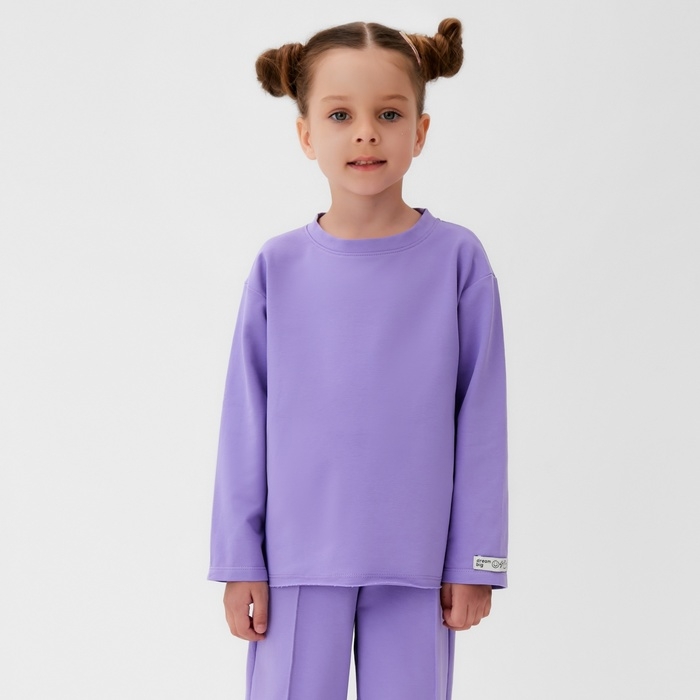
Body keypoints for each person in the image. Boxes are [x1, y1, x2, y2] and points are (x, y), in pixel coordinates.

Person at [208, 17, 508, 700]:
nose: (366, 133)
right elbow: (244, 421)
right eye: (341, 115)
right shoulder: (278, 266)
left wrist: (477, 561)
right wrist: (238, 558)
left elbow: (482, 417)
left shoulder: (458, 261)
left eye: (389, 114)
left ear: (420, 132)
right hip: (294, 564)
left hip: (419, 564)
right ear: (307, 134)